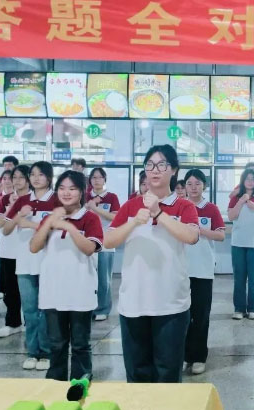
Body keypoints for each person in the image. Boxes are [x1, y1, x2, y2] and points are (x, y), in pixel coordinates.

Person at [105, 144, 199, 383]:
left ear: (173, 170)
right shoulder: (130, 206)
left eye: (162, 164)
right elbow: (108, 240)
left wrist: (158, 213)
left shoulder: (184, 206)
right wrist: (134, 222)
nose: (155, 170)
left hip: (171, 305)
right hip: (134, 302)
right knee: (137, 375)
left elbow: (191, 236)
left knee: (168, 375)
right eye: (150, 164)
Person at [30, 170, 103, 381]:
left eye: (72, 188)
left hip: (80, 291)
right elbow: (34, 247)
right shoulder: (50, 218)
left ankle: (80, 383)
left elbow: (89, 248)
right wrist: (50, 223)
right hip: (53, 291)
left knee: (80, 344)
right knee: (56, 343)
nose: (66, 193)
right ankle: (55, 382)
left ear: (81, 192)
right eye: (62, 188)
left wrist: (69, 227)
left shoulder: (90, 218)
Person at [3, 161, 59, 371]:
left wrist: (31, 224)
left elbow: (60, 229)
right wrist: (20, 215)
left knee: (46, 309)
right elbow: (6, 229)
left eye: (40, 174)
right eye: (33, 174)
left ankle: (46, 352)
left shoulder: (56, 200)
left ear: (49, 178)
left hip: (49, 262)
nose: (36, 178)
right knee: (29, 310)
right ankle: (32, 352)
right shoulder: (22, 201)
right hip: (25, 263)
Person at [183, 169, 225, 376]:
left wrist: (199, 230)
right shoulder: (180, 207)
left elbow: (221, 235)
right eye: (189, 184)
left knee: (201, 315)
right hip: (180, 269)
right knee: (182, 315)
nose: (193, 187)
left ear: (204, 186)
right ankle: (185, 355)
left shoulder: (211, 209)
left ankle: (199, 356)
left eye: (197, 183)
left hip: (203, 269)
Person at [227, 168, 254, 320]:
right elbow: (231, 216)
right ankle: (239, 309)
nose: (250, 182)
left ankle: (253, 308)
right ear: (242, 181)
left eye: (253, 179)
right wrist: (241, 201)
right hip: (238, 242)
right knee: (239, 278)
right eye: (247, 179)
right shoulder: (235, 197)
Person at [0, 165, 30, 338]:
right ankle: (13, 323)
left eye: (21, 177)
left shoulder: (35, 199)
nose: (16, 181)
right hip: (9, 250)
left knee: (30, 291)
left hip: (30, 251)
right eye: (14, 177)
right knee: (11, 290)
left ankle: (32, 323)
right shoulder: (6, 199)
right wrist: (12, 206)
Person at [85, 167, 120, 321]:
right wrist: (89, 205)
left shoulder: (112, 197)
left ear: (105, 179)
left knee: (104, 279)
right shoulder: (85, 196)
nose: (96, 180)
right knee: (87, 277)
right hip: (87, 242)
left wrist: (95, 208)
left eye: (99, 177)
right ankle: (88, 307)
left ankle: (103, 308)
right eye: (93, 177)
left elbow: (115, 218)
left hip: (106, 242)